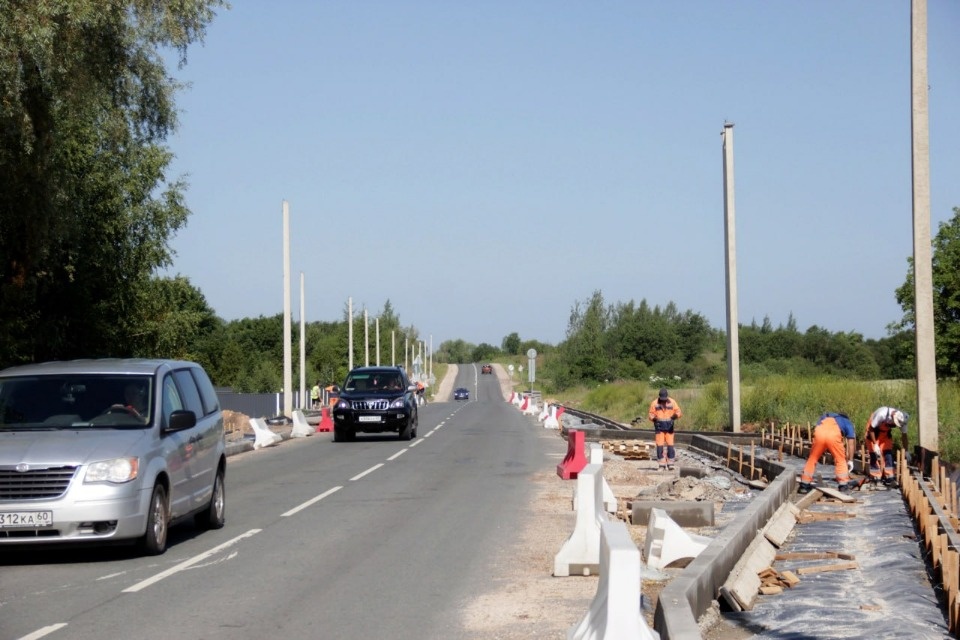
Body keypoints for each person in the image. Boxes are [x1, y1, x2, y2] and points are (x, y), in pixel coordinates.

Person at [799, 412, 857, 493]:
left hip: (819, 433)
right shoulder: (847, 422)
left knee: (812, 458)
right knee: (840, 459)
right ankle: (843, 485)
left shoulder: (826, 416)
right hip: (834, 435)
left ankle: (804, 485)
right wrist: (850, 460)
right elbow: (851, 444)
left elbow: (818, 426)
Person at [864, 406, 909, 487]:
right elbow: (871, 429)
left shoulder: (903, 421)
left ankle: (890, 477)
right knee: (874, 454)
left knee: (888, 453)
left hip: (885, 434)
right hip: (873, 432)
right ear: (893, 417)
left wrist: (906, 450)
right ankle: (875, 477)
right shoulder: (882, 414)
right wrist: (875, 444)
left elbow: (904, 436)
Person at [648, 388, 682, 471]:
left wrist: (674, 416)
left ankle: (670, 464)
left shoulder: (672, 402)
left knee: (670, 445)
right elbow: (650, 414)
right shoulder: (654, 403)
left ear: (667, 397)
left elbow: (679, 412)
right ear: (659, 397)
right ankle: (661, 465)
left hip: (669, 427)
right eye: (662, 399)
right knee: (659, 446)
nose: (663, 401)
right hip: (659, 427)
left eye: (665, 399)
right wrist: (654, 419)